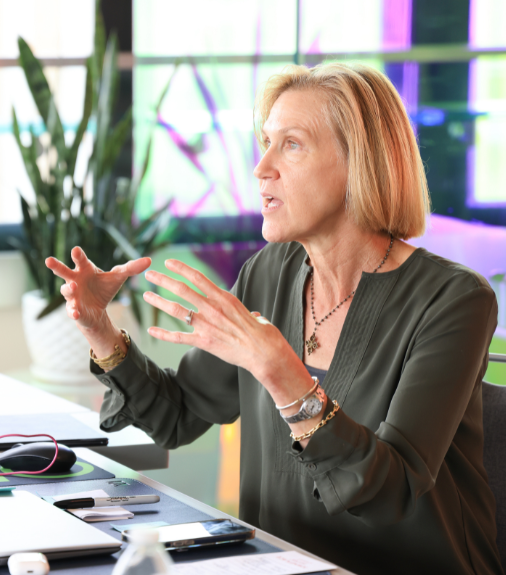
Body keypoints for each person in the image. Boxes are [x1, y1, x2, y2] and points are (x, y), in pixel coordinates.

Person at [46, 62, 503, 575]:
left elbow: (388, 493)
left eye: (292, 144)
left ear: (359, 164)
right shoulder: (269, 273)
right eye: (266, 142)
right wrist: (99, 329)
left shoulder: (454, 299)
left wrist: (281, 373)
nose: (262, 167)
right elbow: (178, 415)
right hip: (280, 565)